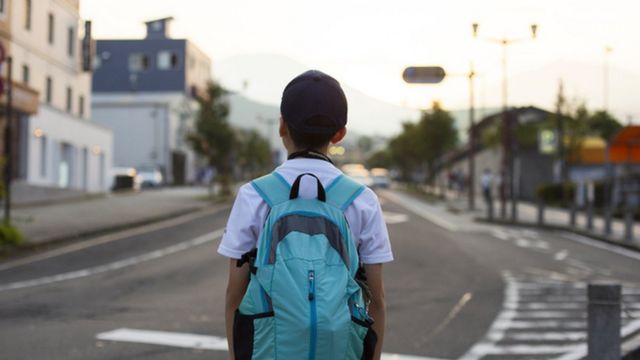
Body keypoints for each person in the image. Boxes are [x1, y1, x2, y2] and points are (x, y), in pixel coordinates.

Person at [218, 70, 393, 360]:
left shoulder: (254, 195)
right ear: (339, 134)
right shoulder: (363, 201)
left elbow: (234, 296)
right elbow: (377, 301)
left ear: (282, 126)